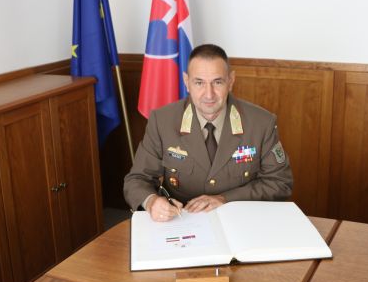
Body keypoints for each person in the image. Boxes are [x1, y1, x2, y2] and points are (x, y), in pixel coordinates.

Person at [124, 44, 293, 221]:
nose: (209, 94)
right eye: (199, 83)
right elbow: (137, 180)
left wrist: (225, 199)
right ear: (186, 82)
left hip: (241, 220)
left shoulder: (261, 123)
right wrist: (152, 201)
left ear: (231, 81)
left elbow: (280, 183)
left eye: (217, 82)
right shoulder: (163, 121)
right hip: (181, 221)